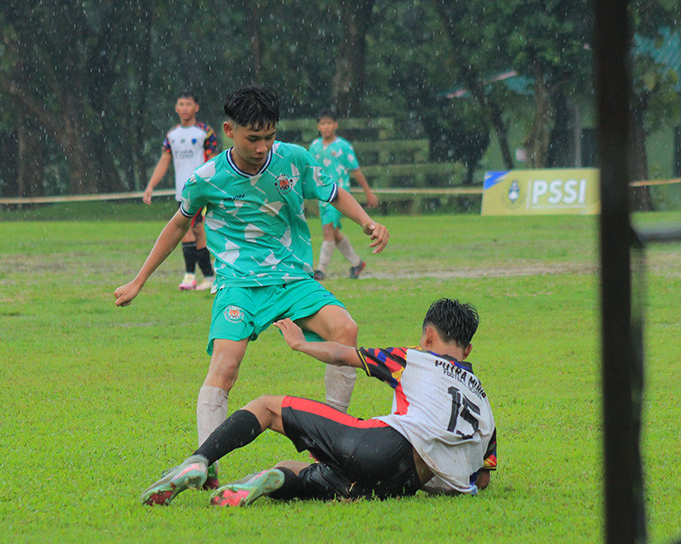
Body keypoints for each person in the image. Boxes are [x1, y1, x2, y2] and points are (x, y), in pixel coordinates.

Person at [115, 85, 389, 489]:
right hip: (238, 284)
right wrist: (139, 280)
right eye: (253, 138)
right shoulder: (207, 178)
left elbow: (334, 192)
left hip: (292, 278)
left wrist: (367, 222)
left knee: (345, 329)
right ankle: (206, 463)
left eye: (269, 137)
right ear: (229, 130)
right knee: (225, 366)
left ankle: (331, 447)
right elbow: (177, 226)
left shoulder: (294, 159)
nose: (262, 147)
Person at [140, 298, 498, 506]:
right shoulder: (483, 405)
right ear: (467, 349)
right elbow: (481, 479)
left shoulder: (414, 358)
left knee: (268, 406)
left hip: (383, 445)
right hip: (402, 485)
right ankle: (270, 479)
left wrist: (300, 344)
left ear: (428, 336)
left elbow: (344, 355)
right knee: (309, 474)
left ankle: (199, 460)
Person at [142, 92, 220, 291]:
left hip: (201, 191)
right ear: (176, 108)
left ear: (196, 107)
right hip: (182, 192)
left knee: (197, 230)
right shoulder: (172, 135)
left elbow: (215, 160)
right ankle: (197, 276)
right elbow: (164, 161)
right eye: (181, 104)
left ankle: (202, 276)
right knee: (188, 230)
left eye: (188, 104)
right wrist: (151, 186)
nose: (185, 108)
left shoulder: (205, 133)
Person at [308, 109, 380, 281]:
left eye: (329, 123)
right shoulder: (314, 147)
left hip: (339, 195)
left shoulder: (344, 147)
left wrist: (368, 192)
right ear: (318, 126)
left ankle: (320, 269)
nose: (326, 126)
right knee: (334, 232)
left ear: (336, 125)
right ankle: (356, 263)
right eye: (323, 123)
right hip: (322, 195)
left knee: (328, 230)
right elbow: (309, 170)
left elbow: (355, 170)